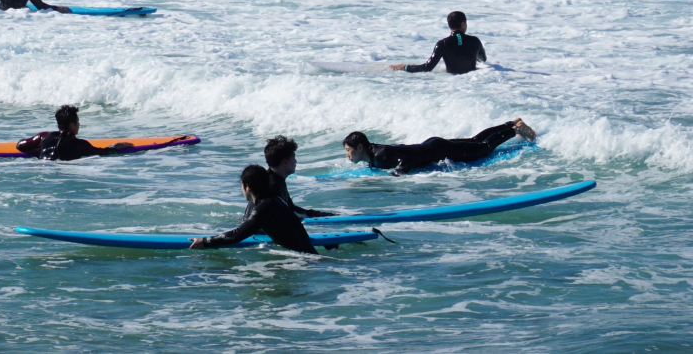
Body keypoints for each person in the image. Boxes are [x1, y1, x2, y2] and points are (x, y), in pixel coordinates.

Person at [188, 164, 318, 254]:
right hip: (306, 258)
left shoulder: (265, 207)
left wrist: (205, 241)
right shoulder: (273, 201)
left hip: (306, 261)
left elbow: (236, 235)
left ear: (248, 187)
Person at [343, 119, 537, 175]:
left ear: (360, 147)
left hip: (439, 150)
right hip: (433, 144)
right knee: (475, 139)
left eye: (348, 150)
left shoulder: (379, 155)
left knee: (484, 148)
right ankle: (509, 123)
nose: (347, 155)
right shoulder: (374, 153)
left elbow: (406, 161)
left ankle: (514, 130)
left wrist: (398, 173)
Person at [16, 105, 134, 161]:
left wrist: (40, 148)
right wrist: (115, 146)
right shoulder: (80, 145)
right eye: (78, 122)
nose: (79, 124)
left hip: (44, 171)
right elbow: (104, 153)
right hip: (62, 174)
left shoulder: (43, 137)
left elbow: (20, 145)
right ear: (71, 126)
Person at [261, 136, 338, 220]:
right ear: (285, 162)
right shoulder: (271, 185)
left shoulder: (275, 180)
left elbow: (290, 208)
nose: (295, 161)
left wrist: (322, 215)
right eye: (293, 157)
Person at [391, 11, 485, 74]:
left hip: (454, 84)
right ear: (462, 24)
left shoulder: (442, 43)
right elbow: (483, 59)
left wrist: (405, 67)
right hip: (472, 82)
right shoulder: (475, 41)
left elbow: (427, 67)